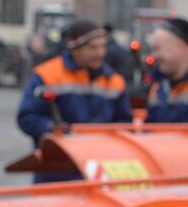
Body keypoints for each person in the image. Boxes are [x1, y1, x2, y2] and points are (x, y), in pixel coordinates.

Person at [16, 17, 133, 182]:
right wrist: (53, 129)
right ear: (75, 49)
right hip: (56, 172)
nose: (100, 53)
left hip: (99, 171)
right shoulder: (46, 76)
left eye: (103, 47)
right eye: (93, 48)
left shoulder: (115, 82)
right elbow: (27, 117)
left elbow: (124, 121)